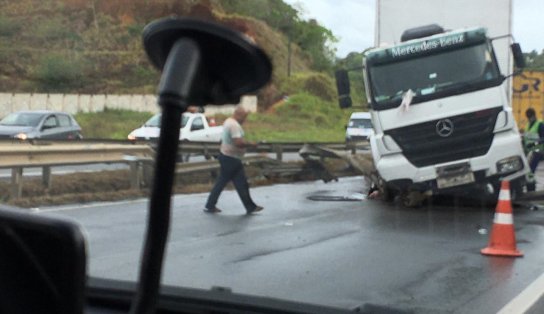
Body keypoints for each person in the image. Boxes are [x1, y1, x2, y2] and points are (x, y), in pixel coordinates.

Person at [204, 106, 263, 214]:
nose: (244, 120)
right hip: (231, 159)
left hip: (228, 157)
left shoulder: (228, 121)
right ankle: (210, 205)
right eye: (244, 117)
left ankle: (249, 206)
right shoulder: (234, 125)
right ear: (238, 115)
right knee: (228, 183)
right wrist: (252, 144)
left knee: (238, 183)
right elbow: (238, 143)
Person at [523, 108, 544, 191]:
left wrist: (535, 143)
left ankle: (531, 188)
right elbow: (526, 137)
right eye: (528, 117)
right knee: (527, 170)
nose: (529, 119)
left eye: (530, 117)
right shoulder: (528, 125)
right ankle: (530, 186)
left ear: (534, 115)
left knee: (530, 170)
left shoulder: (540, 124)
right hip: (529, 151)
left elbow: (543, 138)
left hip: (537, 151)